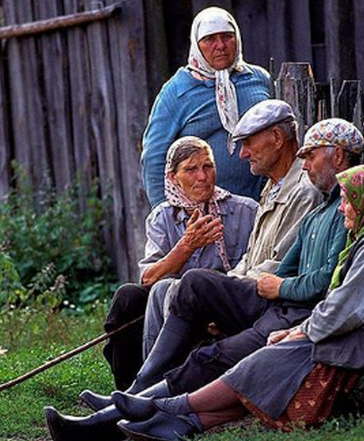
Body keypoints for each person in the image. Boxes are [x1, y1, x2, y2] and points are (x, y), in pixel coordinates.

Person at [44, 100, 324, 441]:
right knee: (155, 292)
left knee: (191, 287)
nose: (240, 154)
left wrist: (221, 291)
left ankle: (134, 396)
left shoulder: (273, 199)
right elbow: (242, 263)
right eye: (192, 169)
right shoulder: (265, 190)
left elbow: (278, 268)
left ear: (277, 138)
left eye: (249, 143)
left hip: (270, 301)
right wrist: (191, 251)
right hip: (234, 298)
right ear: (173, 177)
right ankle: (132, 394)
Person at [114, 164, 364, 441]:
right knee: (279, 359)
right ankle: (185, 423)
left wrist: (298, 333)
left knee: (278, 357)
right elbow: (343, 302)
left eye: (348, 200)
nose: (341, 207)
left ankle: (173, 407)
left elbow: (347, 309)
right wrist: (298, 330)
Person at [101, 136, 258, 391]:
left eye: (208, 166)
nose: (203, 177)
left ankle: (151, 387)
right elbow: (149, 278)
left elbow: (253, 270)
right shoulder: (162, 217)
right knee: (128, 297)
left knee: (177, 289)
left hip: (222, 300)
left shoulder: (245, 211)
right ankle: (128, 389)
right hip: (169, 306)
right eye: (191, 169)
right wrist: (187, 245)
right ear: (173, 177)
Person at [142, 6, 272, 208]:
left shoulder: (258, 79)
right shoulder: (176, 92)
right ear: (196, 44)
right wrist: (168, 214)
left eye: (227, 37)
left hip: (259, 205)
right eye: (210, 39)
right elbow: (154, 159)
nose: (220, 45)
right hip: (198, 211)